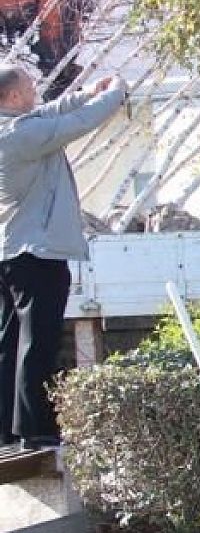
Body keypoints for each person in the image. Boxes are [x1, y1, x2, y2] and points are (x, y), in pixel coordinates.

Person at [0, 64, 127, 450]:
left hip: (10, 252)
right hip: (37, 253)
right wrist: (114, 93)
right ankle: (36, 430)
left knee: (9, 343)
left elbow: (53, 112)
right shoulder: (20, 136)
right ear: (14, 96)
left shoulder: (17, 127)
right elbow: (78, 123)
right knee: (38, 341)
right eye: (30, 87)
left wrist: (88, 89)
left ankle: (7, 431)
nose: (36, 91)